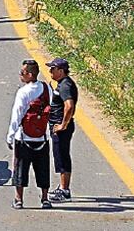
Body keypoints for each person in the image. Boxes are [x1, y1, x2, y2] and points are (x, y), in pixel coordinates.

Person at [7, 59, 53, 210]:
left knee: (20, 169)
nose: (20, 75)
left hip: (23, 138)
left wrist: (10, 135)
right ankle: (45, 198)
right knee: (43, 168)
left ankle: (19, 199)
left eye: (23, 72)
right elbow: (51, 110)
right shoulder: (46, 89)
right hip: (42, 138)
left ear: (30, 74)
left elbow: (17, 115)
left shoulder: (23, 92)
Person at [47, 57, 78, 203]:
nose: (50, 71)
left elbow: (69, 106)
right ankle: (63, 187)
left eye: (52, 69)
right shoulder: (62, 84)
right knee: (60, 156)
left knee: (62, 157)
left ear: (60, 71)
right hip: (59, 126)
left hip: (61, 129)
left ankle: (64, 190)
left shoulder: (65, 86)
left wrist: (62, 125)